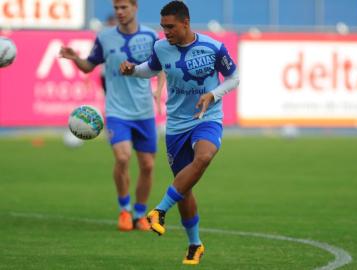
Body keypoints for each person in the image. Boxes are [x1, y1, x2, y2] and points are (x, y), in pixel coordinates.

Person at [120, 0, 239, 264]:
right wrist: (132, 71)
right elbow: (148, 70)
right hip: (176, 125)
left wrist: (213, 93)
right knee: (184, 189)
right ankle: (194, 244)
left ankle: (159, 210)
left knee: (204, 157)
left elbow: (234, 77)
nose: (166, 32)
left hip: (206, 117)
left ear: (186, 22)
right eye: (163, 27)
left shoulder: (213, 47)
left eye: (171, 27)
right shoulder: (161, 47)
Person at [60, 0, 165, 232]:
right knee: (123, 157)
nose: (119, 12)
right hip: (117, 111)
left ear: (135, 8)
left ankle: (139, 214)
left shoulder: (150, 36)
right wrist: (75, 58)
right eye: (116, 8)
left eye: (124, 7)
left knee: (147, 165)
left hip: (144, 111)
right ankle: (124, 210)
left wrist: (158, 89)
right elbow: (89, 66)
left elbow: (162, 64)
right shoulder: (105, 38)